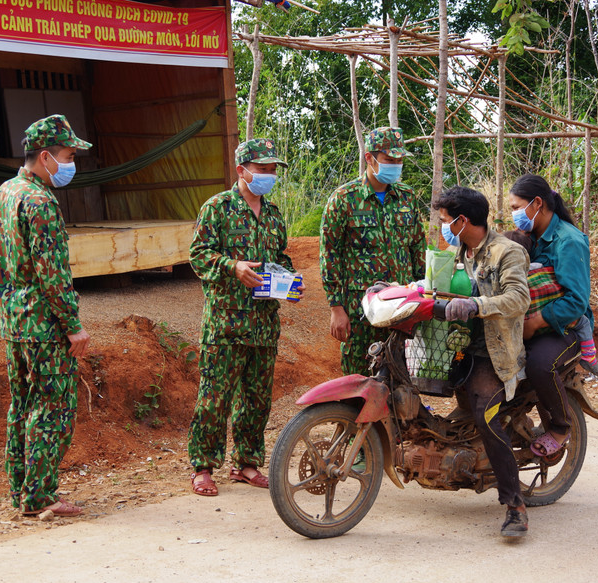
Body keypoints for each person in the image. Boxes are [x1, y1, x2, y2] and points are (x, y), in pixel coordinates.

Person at [187, 138, 304, 497]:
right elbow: (197, 255)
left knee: (257, 399)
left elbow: (280, 257)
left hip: (264, 324)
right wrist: (232, 266)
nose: (270, 175)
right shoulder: (218, 208)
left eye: (273, 170)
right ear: (242, 170)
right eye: (264, 169)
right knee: (215, 398)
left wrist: (289, 281)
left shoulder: (272, 214)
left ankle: (247, 463)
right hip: (226, 324)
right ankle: (203, 467)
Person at [0, 114, 92, 517]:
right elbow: (53, 274)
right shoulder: (40, 202)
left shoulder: (4, 193)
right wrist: (73, 326)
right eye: (68, 156)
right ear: (46, 157)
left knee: (22, 407)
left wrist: (11, 312)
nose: (71, 165)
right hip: (45, 327)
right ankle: (40, 497)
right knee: (54, 409)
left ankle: (20, 492)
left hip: (15, 324)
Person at [432, 186, 532, 537]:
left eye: (444, 221)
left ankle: (515, 506)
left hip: (494, 351)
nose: (441, 226)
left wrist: (478, 306)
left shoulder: (508, 252)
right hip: (457, 346)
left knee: (484, 416)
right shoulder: (454, 252)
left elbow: (519, 298)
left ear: (462, 220)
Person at [320, 127, 426, 375]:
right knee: (358, 378)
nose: (396, 166)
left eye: (400, 160)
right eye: (390, 160)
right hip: (361, 310)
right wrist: (336, 308)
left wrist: (424, 293)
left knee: (402, 378)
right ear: (370, 158)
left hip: (404, 304)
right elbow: (329, 255)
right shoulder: (344, 199)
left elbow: (417, 248)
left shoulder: (407, 197)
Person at [507, 174, 593, 457]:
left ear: (537, 204)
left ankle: (560, 425)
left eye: (516, 207)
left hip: (563, 327)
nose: (513, 214)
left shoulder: (569, 241)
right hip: (527, 320)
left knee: (539, 365)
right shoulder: (528, 237)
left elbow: (577, 301)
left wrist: (536, 322)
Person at [503, 230, 598, 378]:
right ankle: (589, 357)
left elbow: (577, 300)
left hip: (524, 327)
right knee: (582, 321)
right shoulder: (539, 267)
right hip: (551, 321)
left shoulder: (502, 277)